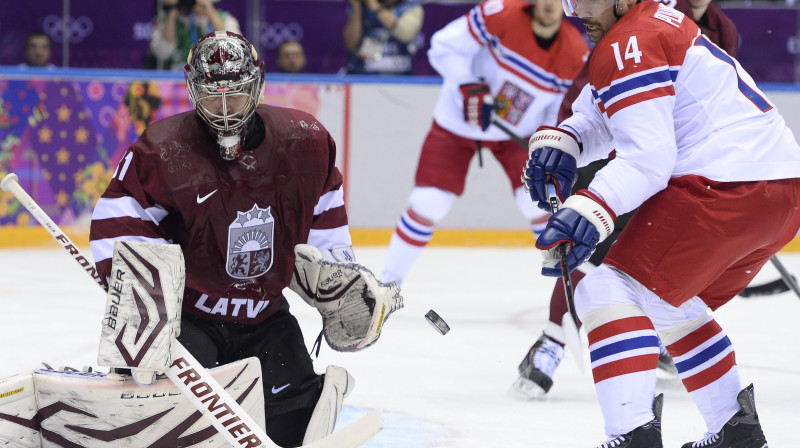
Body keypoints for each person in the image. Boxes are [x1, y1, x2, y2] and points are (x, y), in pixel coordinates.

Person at [89, 31, 401, 447]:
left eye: (234, 94)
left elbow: (326, 226)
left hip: (266, 319)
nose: (223, 109)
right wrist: (140, 293)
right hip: (189, 321)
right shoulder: (164, 150)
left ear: (257, 83)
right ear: (190, 87)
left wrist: (338, 278)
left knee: (294, 422)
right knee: (169, 423)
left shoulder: (304, 143)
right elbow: (121, 216)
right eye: (210, 94)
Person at [522, 0, 800, 444]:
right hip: (780, 193)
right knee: (667, 304)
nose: (576, 11)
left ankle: (631, 434)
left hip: (726, 186)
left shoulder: (630, 38)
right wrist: (568, 142)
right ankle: (736, 431)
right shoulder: (648, 23)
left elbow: (649, 157)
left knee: (605, 289)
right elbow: (603, 112)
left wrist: (592, 207)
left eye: (588, 0)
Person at [512, 0, 739, 398]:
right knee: (592, 251)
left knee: (668, 253)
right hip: (607, 143)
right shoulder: (645, 12)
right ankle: (551, 342)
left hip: (670, 161)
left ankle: (664, 332)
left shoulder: (724, 30)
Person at [379, 0, 588, 285]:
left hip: (516, 135)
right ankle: (387, 284)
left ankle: (565, 290)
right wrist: (467, 83)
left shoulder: (575, 53)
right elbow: (443, 46)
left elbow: (556, 112)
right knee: (430, 202)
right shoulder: (500, 12)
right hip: (457, 123)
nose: (549, 3)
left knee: (536, 204)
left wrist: (546, 142)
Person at [149, 0, 240, 70]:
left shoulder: (225, 19)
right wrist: (172, 11)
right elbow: (163, 53)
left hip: (214, 82)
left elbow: (234, 51)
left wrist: (209, 10)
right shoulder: (164, 19)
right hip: (176, 80)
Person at [342, 0, 424, 75]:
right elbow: (350, 44)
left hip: (401, 78)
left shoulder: (411, 7)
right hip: (365, 76)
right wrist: (357, 9)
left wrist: (376, 8)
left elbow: (406, 34)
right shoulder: (363, 7)